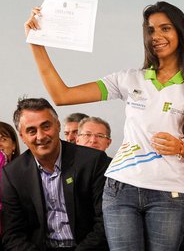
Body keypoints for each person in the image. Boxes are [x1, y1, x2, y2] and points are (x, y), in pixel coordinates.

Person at [24, 1, 184, 250]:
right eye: (150, 30)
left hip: (169, 194)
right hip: (120, 188)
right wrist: (36, 43)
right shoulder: (128, 79)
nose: (156, 36)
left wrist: (179, 147)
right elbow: (62, 95)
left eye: (165, 28)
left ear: (181, 32)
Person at [2, 98, 109, 250]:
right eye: (31, 131)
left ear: (58, 125)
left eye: (46, 126)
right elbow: (12, 234)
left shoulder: (92, 161)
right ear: (22, 137)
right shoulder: (12, 174)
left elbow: (105, 222)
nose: (40, 136)